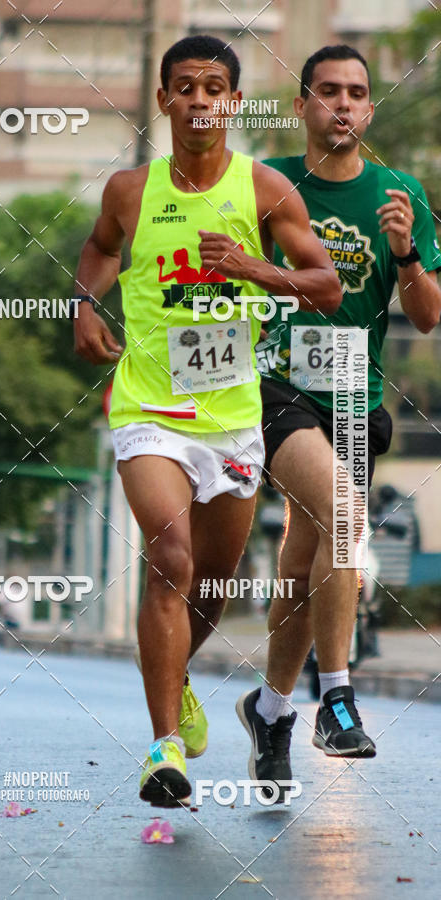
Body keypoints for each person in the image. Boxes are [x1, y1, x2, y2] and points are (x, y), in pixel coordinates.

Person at [73, 34, 341, 808]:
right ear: (164, 101)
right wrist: (82, 306)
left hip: (230, 416)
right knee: (171, 556)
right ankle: (164, 751)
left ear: (232, 102)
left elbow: (324, 286)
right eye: (183, 86)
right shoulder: (129, 190)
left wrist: (254, 267)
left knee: (213, 585)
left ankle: (175, 670)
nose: (199, 100)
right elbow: (97, 253)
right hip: (150, 407)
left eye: (214, 86)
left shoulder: (265, 191)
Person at [237, 45, 441, 795]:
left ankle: (271, 709)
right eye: (329, 92)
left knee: (303, 562)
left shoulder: (399, 193)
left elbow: (426, 318)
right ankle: (338, 699)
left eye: (357, 93)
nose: (344, 105)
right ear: (303, 107)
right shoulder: (268, 183)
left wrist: (408, 254)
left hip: (355, 395)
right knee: (347, 517)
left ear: (370, 110)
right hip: (276, 384)